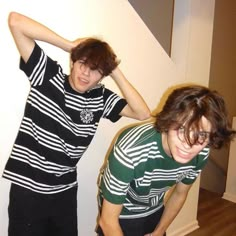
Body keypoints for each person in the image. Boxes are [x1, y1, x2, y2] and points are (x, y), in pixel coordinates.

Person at [2, 11, 151, 236]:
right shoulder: (48, 76)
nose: (86, 73)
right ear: (73, 60)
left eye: (95, 70)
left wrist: (114, 69)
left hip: (65, 192)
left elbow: (142, 113)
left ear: (102, 75)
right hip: (28, 190)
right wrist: (69, 45)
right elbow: (15, 21)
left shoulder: (100, 97)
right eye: (82, 63)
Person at [97, 85, 236, 236]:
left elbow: (179, 194)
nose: (188, 145)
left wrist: (160, 231)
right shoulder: (130, 149)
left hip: (154, 204)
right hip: (123, 210)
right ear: (168, 122)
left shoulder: (201, 153)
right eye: (182, 130)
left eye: (201, 135)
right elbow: (107, 221)